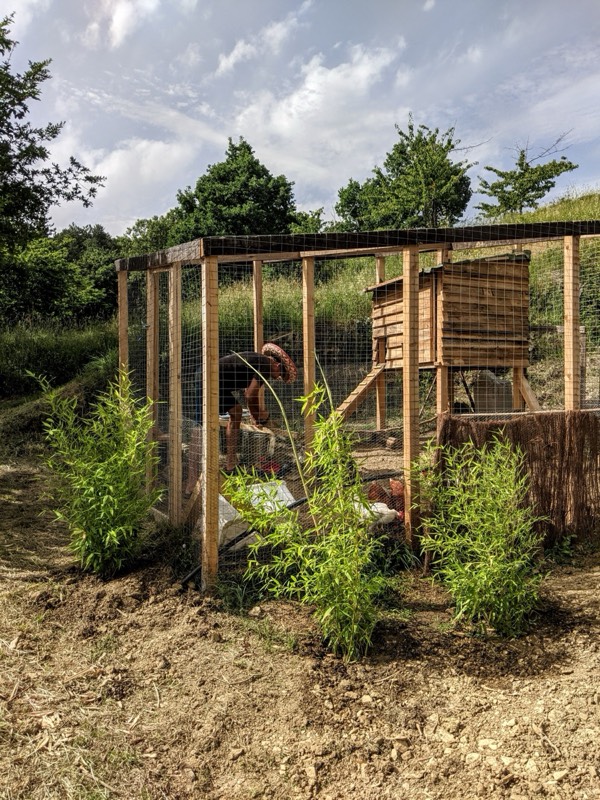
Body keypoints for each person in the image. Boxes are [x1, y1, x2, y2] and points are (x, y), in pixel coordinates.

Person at [185, 343, 297, 493]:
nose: (278, 378)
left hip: (217, 381)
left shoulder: (259, 362)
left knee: (236, 412)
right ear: (277, 364)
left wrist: (256, 417)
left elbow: (249, 394)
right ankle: (191, 482)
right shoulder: (265, 365)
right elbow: (250, 396)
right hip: (208, 378)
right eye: (281, 374)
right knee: (201, 426)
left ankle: (230, 464)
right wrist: (260, 416)